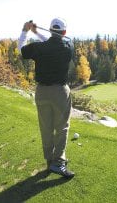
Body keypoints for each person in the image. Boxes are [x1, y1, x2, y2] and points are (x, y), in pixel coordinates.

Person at [18, 18, 75, 178]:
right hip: (60, 92)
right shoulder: (68, 47)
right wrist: (37, 32)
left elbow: (21, 49)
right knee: (62, 127)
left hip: (42, 92)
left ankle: (50, 161)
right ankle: (58, 163)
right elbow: (54, 43)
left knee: (46, 128)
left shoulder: (39, 48)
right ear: (64, 32)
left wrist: (26, 30)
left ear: (50, 30)